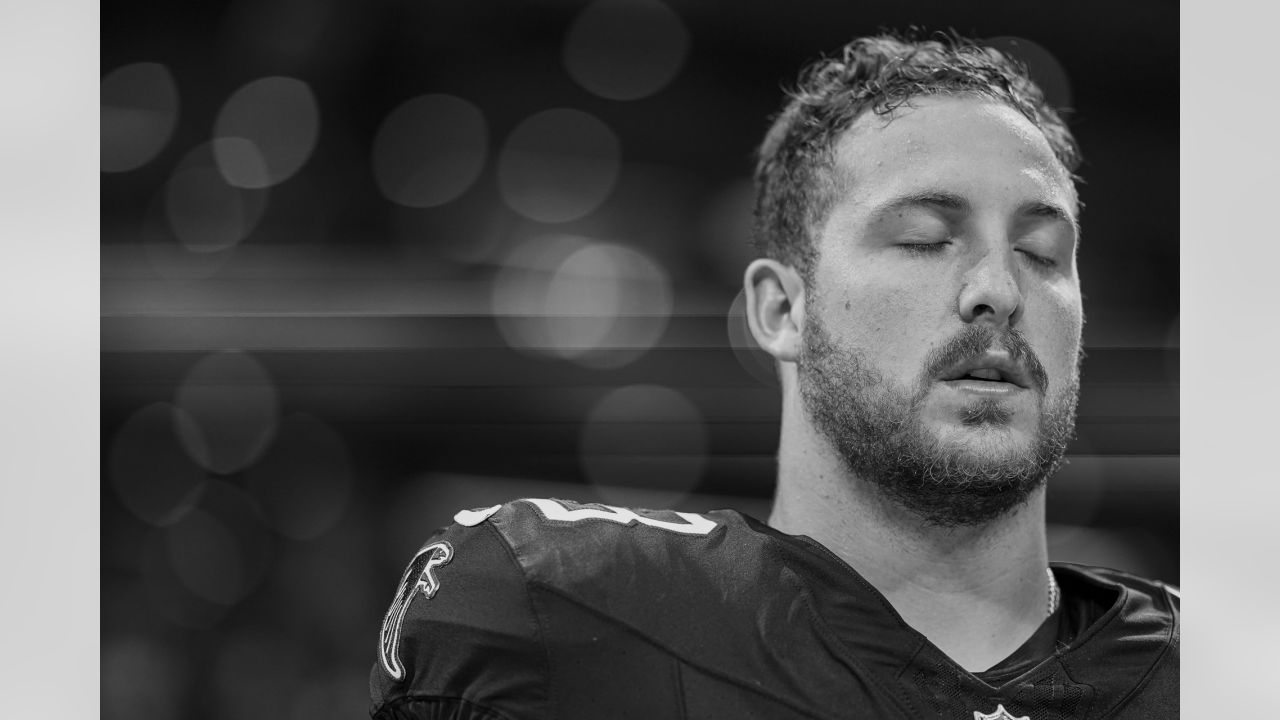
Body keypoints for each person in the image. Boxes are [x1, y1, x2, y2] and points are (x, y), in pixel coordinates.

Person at [369, 32, 1178, 719]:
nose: (999, 289)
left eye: (1042, 254)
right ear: (781, 310)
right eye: (927, 238)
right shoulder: (554, 620)